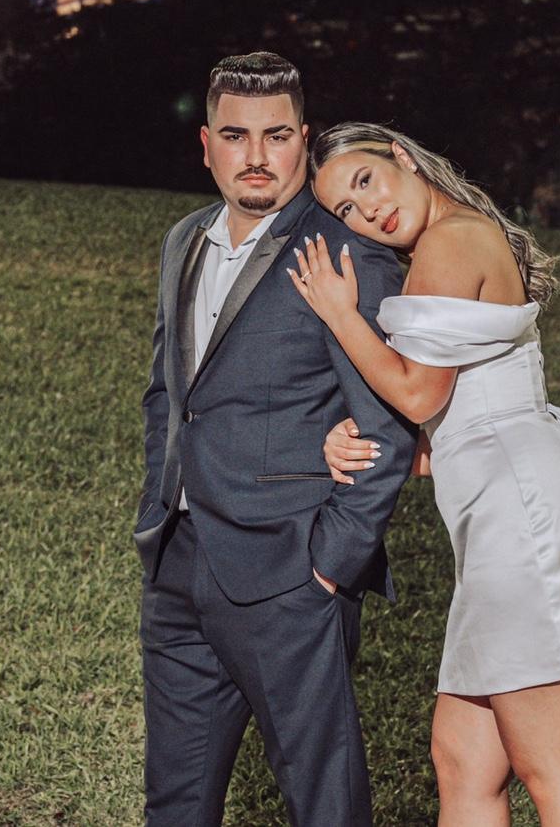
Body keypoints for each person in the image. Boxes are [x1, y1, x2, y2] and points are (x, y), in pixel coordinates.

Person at [288, 122, 560, 827]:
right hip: (504, 515)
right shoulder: (449, 240)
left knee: (558, 773)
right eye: (346, 210)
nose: (368, 211)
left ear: (401, 156)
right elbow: (451, 428)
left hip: (524, 524)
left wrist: (339, 312)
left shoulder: (451, 241)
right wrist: (348, 441)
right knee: (463, 763)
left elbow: (418, 393)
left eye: (366, 180)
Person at [134, 57, 416, 827]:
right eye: (235, 135)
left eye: (277, 136)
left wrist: (331, 563)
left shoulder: (344, 250)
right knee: (175, 803)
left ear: (304, 140)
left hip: (290, 573)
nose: (256, 156)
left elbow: (387, 424)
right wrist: (158, 507)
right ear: (206, 145)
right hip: (178, 564)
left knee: (322, 803)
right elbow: (167, 394)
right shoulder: (185, 240)